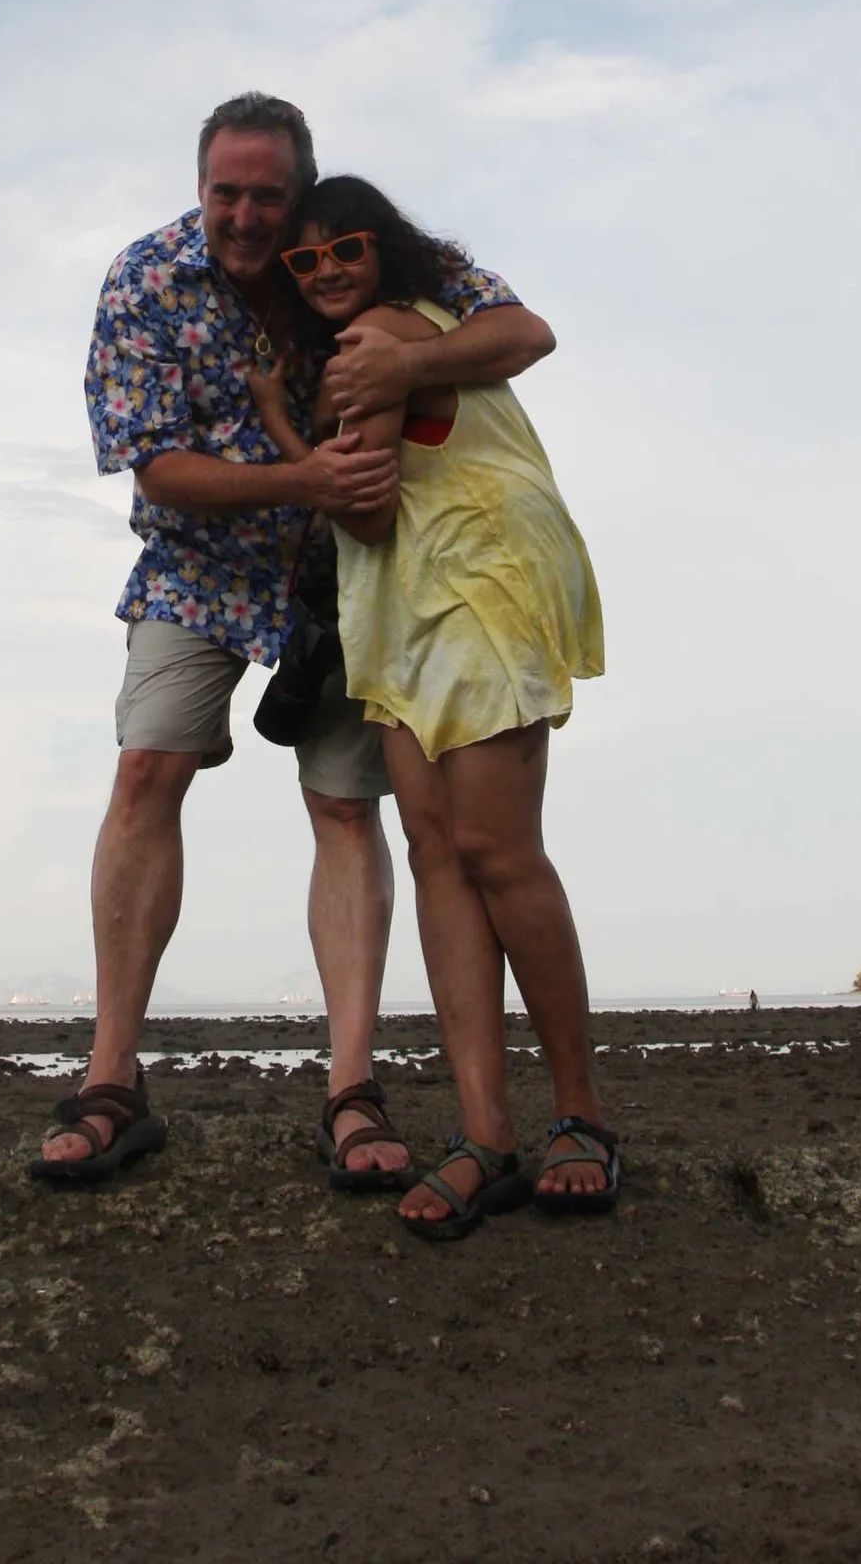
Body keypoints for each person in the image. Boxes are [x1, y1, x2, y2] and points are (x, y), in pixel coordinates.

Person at [31, 94, 555, 1189]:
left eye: (268, 192)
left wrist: (407, 368)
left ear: (301, 189)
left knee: (341, 804)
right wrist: (299, 471)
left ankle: (350, 1088)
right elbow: (156, 465)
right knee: (144, 773)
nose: (248, 214)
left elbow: (519, 329)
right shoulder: (145, 278)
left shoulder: (357, 251)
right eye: (226, 190)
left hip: (355, 569)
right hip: (199, 560)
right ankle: (112, 1079)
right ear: (199, 186)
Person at [253, 172, 615, 1236]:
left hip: (471, 583)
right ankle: (486, 1134)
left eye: (345, 248)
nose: (325, 273)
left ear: (386, 250)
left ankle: (579, 1119)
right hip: (412, 604)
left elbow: (357, 509)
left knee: (495, 850)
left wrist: (278, 415)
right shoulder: (416, 329)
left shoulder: (379, 335)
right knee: (437, 851)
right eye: (303, 260)